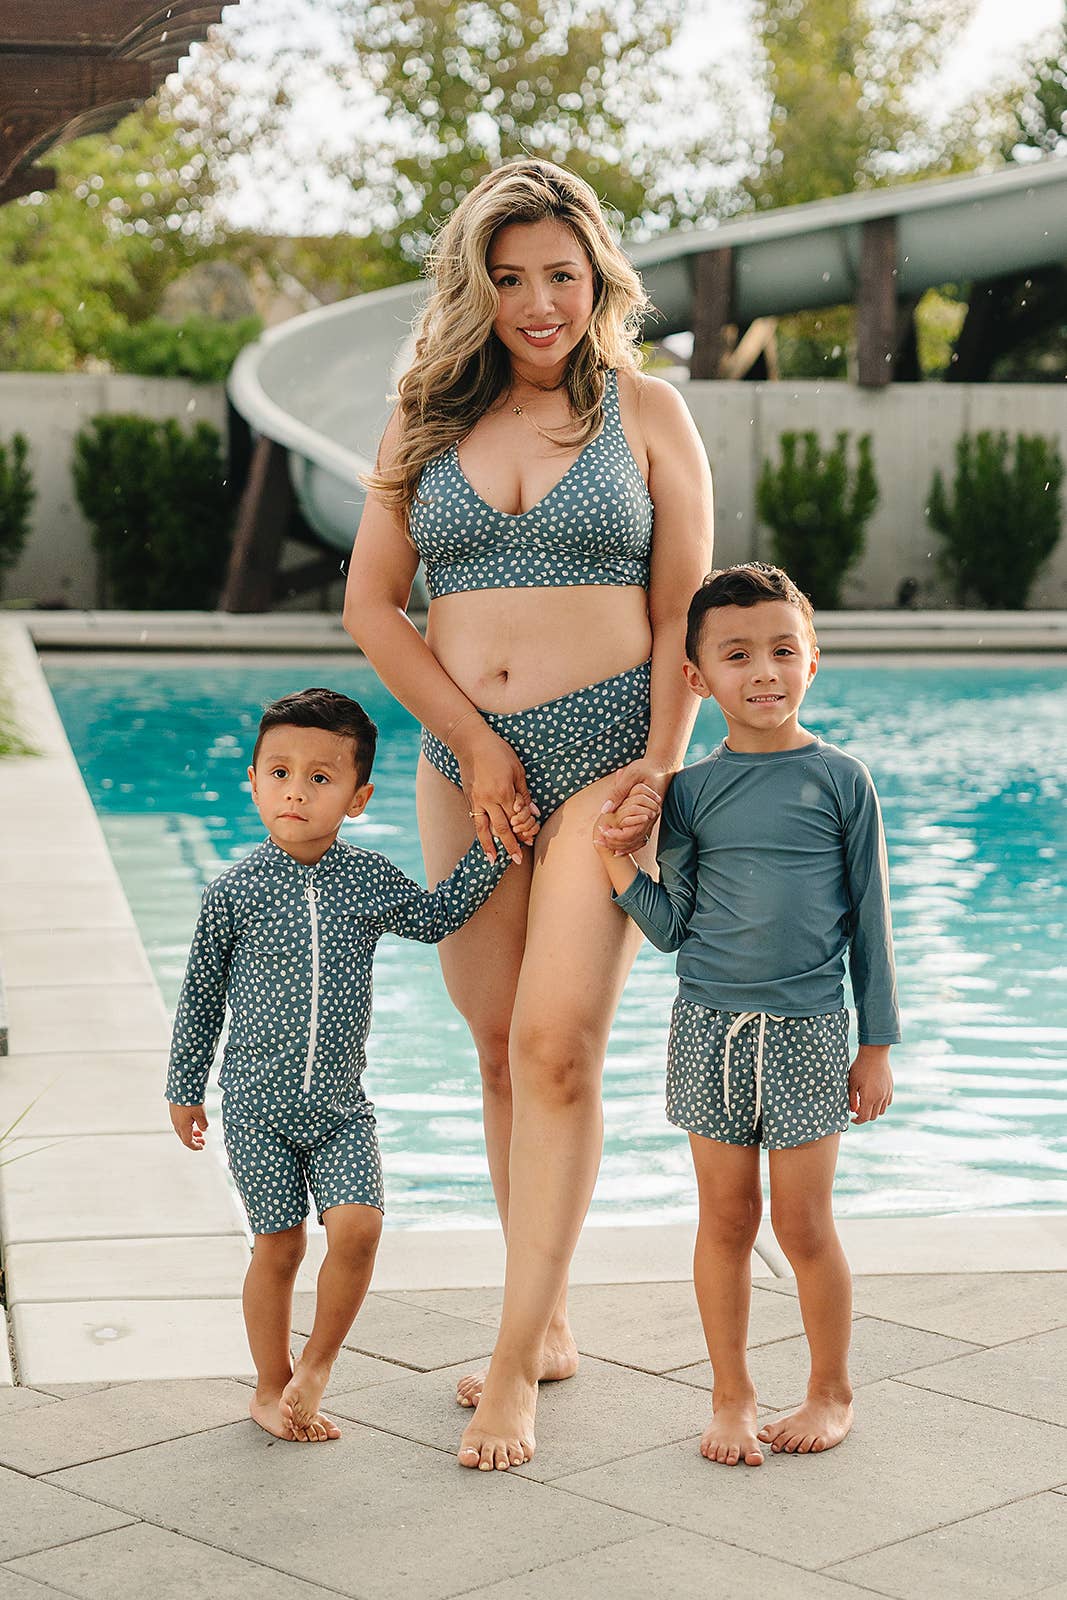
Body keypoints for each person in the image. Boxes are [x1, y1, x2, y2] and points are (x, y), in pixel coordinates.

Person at [343, 157, 713, 1471]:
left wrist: (657, 769)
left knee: (558, 1050)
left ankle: (512, 1369)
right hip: (467, 768)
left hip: (607, 759)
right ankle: (538, 1311)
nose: (537, 302)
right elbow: (373, 606)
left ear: (595, 278)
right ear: (475, 289)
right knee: (497, 1048)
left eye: (559, 275)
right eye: (508, 279)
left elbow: (684, 612)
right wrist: (469, 745)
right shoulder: (422, 419)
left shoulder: (649, 413)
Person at [594, 563, 899, 1465]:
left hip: (808, 1033)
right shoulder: (688, 794)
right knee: (724, 1221)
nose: (762, 671)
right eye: (737, 655)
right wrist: (618, 863)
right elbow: (671, 928)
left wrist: (875, 1042)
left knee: (803, 1228)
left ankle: (829, 1389)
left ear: (813, 660)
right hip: (705, 1032)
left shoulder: (842, 780)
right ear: (698, 679)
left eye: (780, 650)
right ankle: (729, 1397)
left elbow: (871, 922)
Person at [166, 687, 522, 1444]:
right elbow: (200, 998)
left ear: (357, 797)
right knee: (281, 1244)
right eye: (279, 772)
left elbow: (433, 919)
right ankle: (269, 1384)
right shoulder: (233, 892)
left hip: (338, 1108)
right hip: (256, 1107)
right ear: (254, 782)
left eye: (320, 778)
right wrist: (184, 1089)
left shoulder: (364, 879)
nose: (296, 789)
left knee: (358, 1227)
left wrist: (495, 846)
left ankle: (317, 1365)